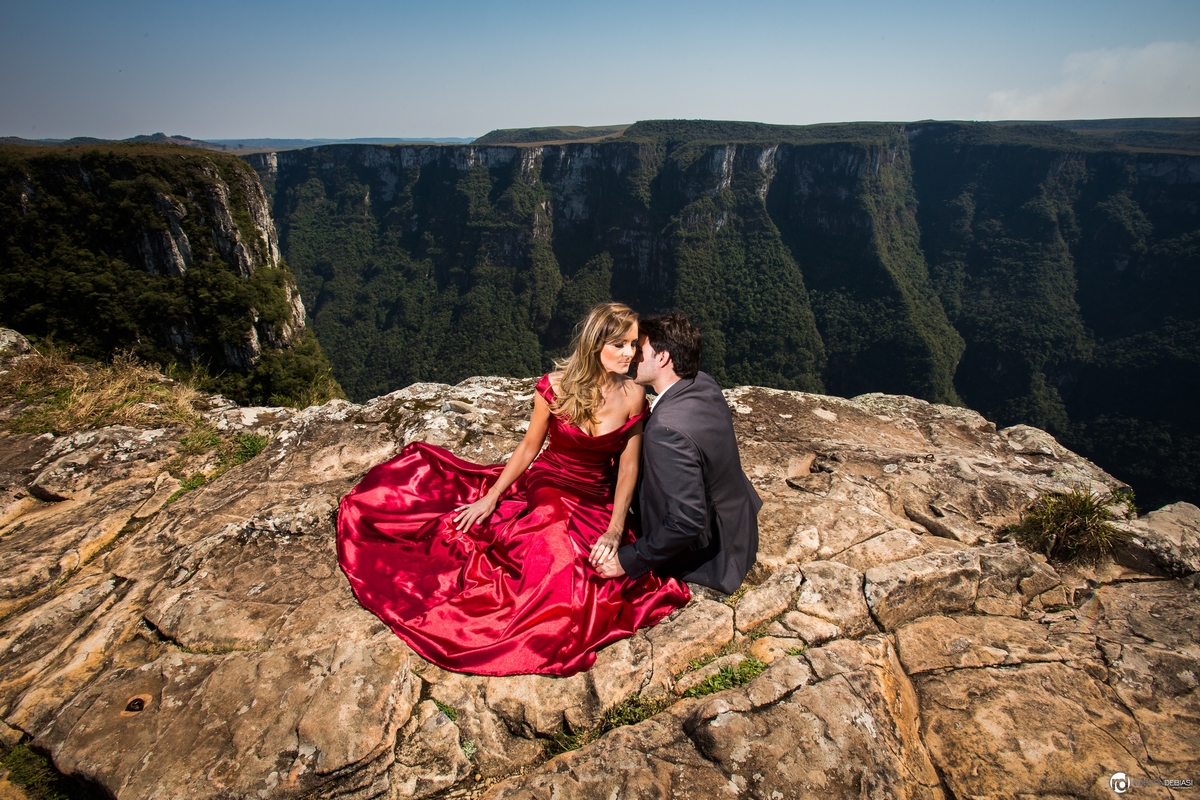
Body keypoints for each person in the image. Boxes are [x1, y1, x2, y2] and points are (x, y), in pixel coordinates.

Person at [336, 303, 690, 677]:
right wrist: (492, 497)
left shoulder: (634, 396)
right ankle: (534, 633)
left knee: (596, 567)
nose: (630, 353)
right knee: (552, 535)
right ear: (595, 345)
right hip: (550, 481)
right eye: (620, 344)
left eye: (633, 344)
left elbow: (629, 467)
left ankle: (551, 619)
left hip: (597, 495)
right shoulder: (555, 387)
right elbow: (529, 447)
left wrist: (616, 528)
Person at [595, 313, 761, 594]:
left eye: (640, 349)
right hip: (738, 527)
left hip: (711, 558)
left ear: (663, 358)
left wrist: (628, 560)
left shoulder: (666, 430)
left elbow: (687, 521)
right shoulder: (702, 383)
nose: (633, 356)